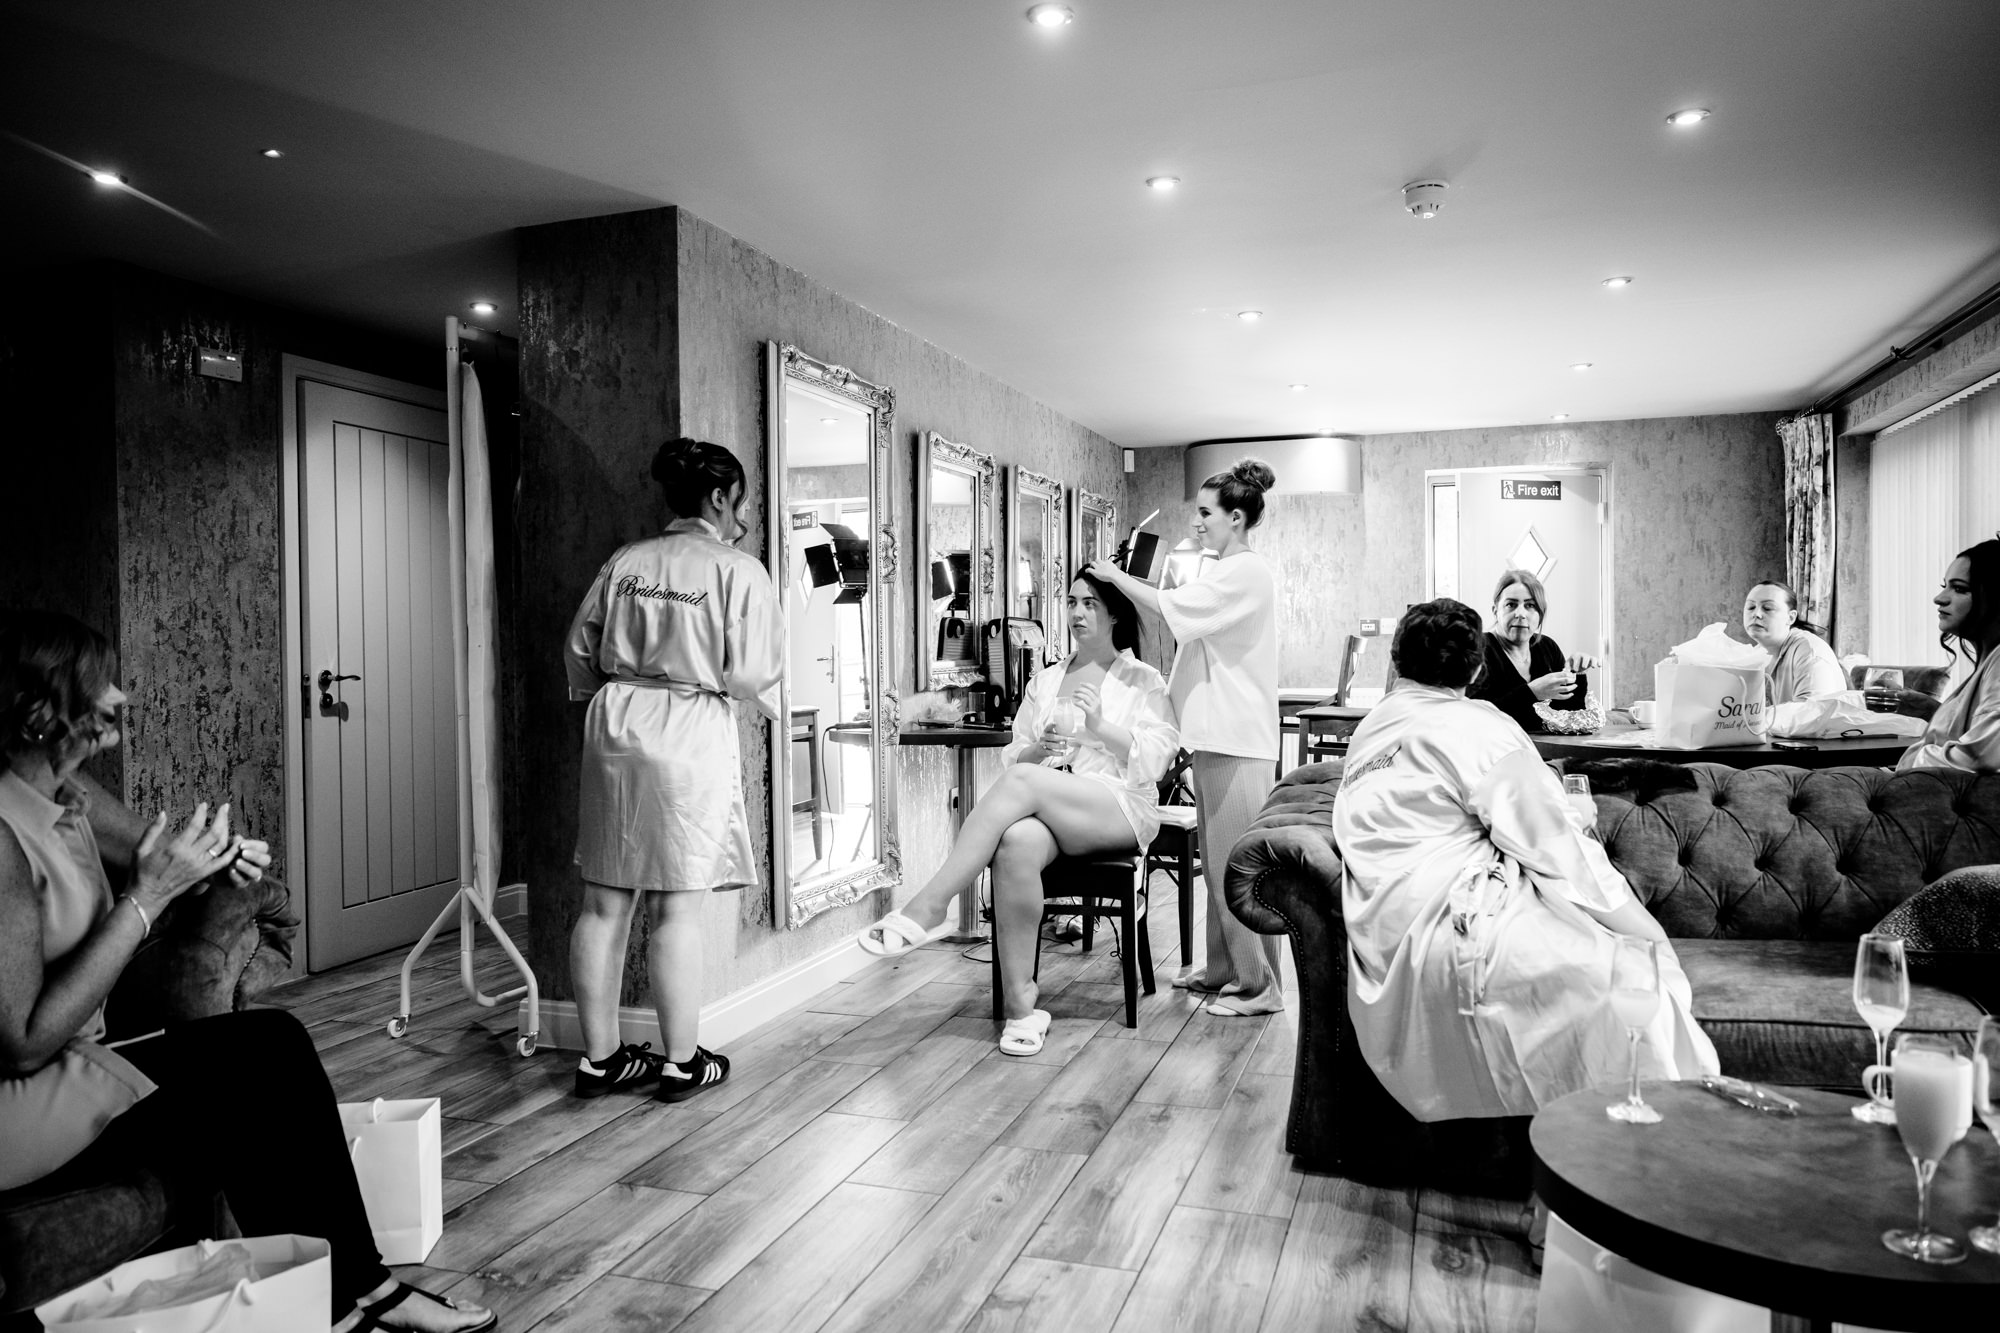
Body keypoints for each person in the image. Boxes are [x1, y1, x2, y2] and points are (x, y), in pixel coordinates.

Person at [0, 610, 494, 1333]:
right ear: (45, 714)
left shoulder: (68, 792)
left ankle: (356, 1295)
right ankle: (352, 1300)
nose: (121, 699)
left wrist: (218, 858)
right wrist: (150, 892)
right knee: (255, 1070)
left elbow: (157, 844)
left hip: (82, 1064)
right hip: (25, 1103)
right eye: (98, 685)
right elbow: (24, 1041)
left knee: (273, 1045)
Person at [1333, 599, 1718, 1123]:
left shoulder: (1370, 730)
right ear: (1474, 668)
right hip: (1453, 918)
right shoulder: (1475, 726)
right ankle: (1645, 1144)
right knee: (1626, 979)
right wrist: (1644, 931)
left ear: (1398, 663)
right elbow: (1554, 843)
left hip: (1380, 925)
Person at [857, 573, 1176, 1055]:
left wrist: (1099, 726)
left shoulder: (1143, 680)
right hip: (1052, 806)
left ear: (1114, 614)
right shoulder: (1046, 680)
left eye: (1090, 603)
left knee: (1022, 788)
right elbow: (1016, 763)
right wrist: (1039, 750)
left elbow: (1155, 761)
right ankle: (1023, 1010)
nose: (1077, 613)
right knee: (1015, 844)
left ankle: (931, 905)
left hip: (1117, 807)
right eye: (1071, 602)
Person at [564, 438, 782, 1102]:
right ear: (720, 498)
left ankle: (599, 1059)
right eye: (741, 502)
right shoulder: (738, 569)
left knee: (602, 903)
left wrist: (620, 686)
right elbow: (751, 673)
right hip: (688, 727)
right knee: (676, 907)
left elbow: (579, 650)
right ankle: (682, 1060)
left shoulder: (625, 561)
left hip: (614, 724)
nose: (744, 518)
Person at [1088, 458, 1285, 1016]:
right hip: (1219, 736)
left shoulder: (1244, 572)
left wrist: (1116, 576)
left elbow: (1174, 611)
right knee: (1224, 862)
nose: (1196, 523)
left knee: (1240, 867)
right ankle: (1225, 970)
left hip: (1236, 739)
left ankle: (1260, 986)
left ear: (1237, 518)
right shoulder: (1225, 570)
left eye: (1205, 513)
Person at [1880, 540, 2000, 773]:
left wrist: (1909, 761)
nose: (1939, 598)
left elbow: (1983, 756)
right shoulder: (1989, 661)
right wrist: (1934, 711)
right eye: (1945, 586)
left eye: (1959, 588)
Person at [1468, 569, 1601, 733]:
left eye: (1530, 605)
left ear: (1540, 614)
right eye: (1511, 604)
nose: (1520, 614)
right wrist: (1531, 693)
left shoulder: (1547, 647)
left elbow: (1569, 717)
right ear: (1495, 610)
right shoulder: (1476, 648)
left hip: (1547, 753)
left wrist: (1576, 675)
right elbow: (1474, 718)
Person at [1741, 579, 1844, 704]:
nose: (1756, 614)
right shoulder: (1754, 654)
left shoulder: (1809, 651)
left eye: (1767, 608)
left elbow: (1810, 715)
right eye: (1751, 607)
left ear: (1790, 617)